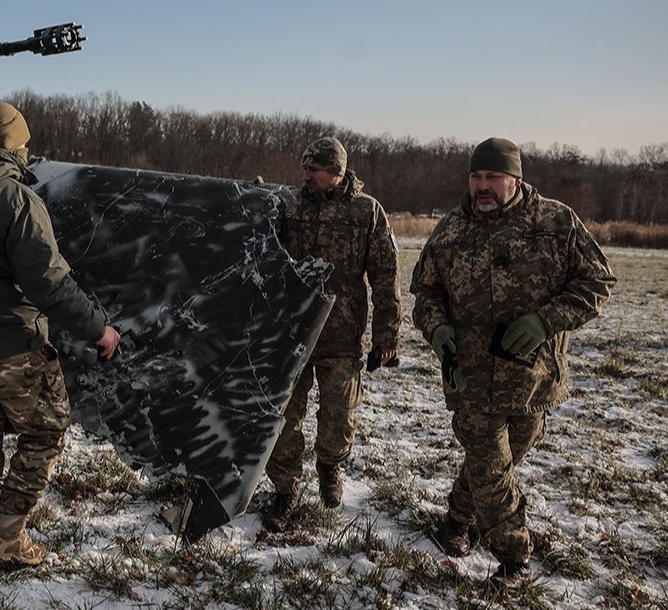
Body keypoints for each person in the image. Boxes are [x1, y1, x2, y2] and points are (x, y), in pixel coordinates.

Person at [0, 102, 121, 573]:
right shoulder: (14, 198)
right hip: (13, 346)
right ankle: (7, 535)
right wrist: (99, 328)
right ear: (13, 144)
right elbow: (48, 282)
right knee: (45, 433)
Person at [411, 137, 615, 589]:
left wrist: (547, 321)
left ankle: (456, 522)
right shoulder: (449, 232)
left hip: (532, 381)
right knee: (490, 466)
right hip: (468, 378)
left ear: (515, 180)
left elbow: (598, 280)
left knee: (498, 465)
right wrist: (436, 328)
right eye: (475, 177)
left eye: (492, 178)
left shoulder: (555, 222)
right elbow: (425, 294)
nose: (482, 187)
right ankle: (515, 559)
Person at [263, 136, 402, 530]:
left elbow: (386, 276)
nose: (305, 175)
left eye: (313, 170)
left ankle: (329, 467)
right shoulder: (289, 206)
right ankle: (285, 489)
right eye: (304, 168)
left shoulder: (366, 212)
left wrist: (387, 335)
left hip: (342, 335)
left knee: (339, 416)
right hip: (292, 335)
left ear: (336, 173)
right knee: (285, 417)